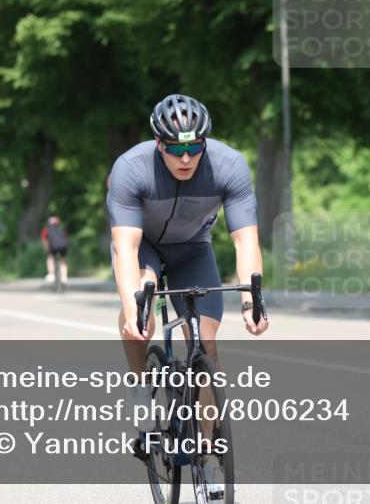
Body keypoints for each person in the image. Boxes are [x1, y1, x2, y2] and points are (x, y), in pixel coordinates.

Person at [107, 94, 268, 493]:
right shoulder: (131, 168)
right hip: (144, 248)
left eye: (195, 148)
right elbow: (125, 247)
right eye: (176, 149)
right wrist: (131, 308)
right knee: (142, 313)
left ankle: (208, 454)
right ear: (158, 143)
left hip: (193, 249)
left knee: (206, 342)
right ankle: (141, 387)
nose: (185, 158)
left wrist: (252, 301)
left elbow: (245, 240)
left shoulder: (229, 165)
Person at [41, 216, 69, 284]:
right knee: (63, 260)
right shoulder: (62, 229)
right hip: (63, 247)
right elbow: (66, 238)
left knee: (50, 258)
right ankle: (64, 276)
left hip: (53, 247)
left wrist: (46, 249)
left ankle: (51, 274)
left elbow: (45, 241)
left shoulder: (46, 230)